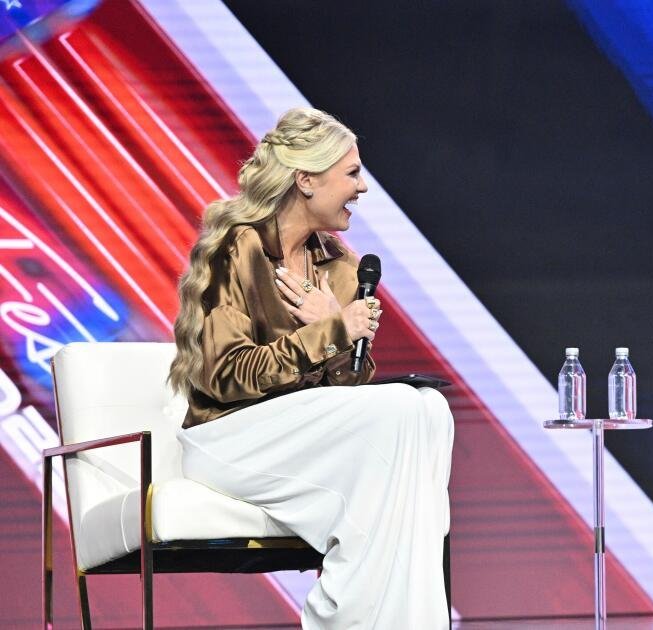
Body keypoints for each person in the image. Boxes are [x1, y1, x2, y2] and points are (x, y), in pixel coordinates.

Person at [168, 108, 454, 629]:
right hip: (228, 438)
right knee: (398, 409)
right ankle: (335, 618)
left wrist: (335, 334)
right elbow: (226, 376)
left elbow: (346, 389)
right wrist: (332, 331)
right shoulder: (240, 247)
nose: (362, 188)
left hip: (303, 438)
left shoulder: (341, 267)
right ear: (306, 179)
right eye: (352, 173)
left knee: (430, 410)